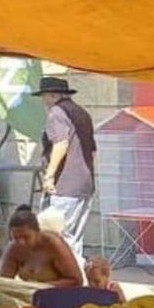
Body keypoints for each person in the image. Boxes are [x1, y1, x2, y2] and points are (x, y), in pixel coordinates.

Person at [33, 77, 96, 261]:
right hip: (85, 184)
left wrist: (49, 176)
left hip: (65, 185)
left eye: (45, 96)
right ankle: (77, 281)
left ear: (51, 95)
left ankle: (65, 280)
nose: (44, 101)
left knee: (57, 237)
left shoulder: (57, 112)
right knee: (74, 239)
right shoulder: (82, 113)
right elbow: (92, 152)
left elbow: (61, 143)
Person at [0, 206, 83, 287]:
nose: (21, 242)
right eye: (16, 238)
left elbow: (76, 280)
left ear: (37, 232)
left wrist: (41, 288)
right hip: (28, 295)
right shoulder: (13, 248)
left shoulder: (54, 244)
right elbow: (3, 282)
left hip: (57, 296)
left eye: (26, 237)